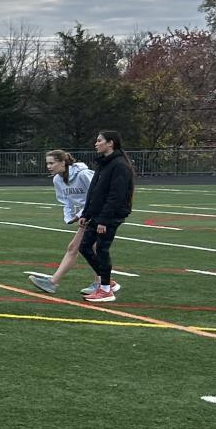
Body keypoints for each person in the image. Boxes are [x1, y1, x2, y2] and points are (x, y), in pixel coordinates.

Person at [29, 150, 95, 295]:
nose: (49, 166)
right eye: (47, 163)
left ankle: (52, 283)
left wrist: (81, 215)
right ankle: (105, 282)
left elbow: (97, 195)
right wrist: (70, 218)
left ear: (63, 162)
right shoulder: (57, 180)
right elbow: (66, 201)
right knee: (89, 248)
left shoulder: (83, 174)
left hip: (98, 212)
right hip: (86, 215)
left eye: (52, 163)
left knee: (75, 247)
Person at [79, 130, 134, 304]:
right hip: (97, 214)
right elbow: (94, 191)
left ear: (110, 143)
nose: (96, 144)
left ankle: (105, 290)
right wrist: (86, 213)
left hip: (109, 216)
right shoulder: (104, 163)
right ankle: (107, 281)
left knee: (102, 249)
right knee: (85, 247)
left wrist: (104, 220)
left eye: (99, 141)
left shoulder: (119, 165)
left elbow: (116, 196)